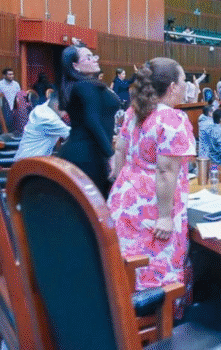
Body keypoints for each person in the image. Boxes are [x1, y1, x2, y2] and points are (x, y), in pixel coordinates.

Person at [106, 57, 195, 316]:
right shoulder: (172, 119)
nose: (186, 86)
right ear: (172, 87)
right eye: (184, 80)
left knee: (125, 263)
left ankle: (123, 318)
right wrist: (165, 216)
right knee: (156, 267)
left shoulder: (135, 111)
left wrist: (123, 184)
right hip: (154, 206)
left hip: (125, 198)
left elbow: (120, 151)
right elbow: (166, 171)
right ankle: (157, 323)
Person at [58, 45, 120, 197]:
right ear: (75, 66)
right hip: (86, 155)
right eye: (88, 57)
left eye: (93, 56)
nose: (94, 59)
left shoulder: (85, 85)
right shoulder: (84, 86)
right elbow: (92, 120)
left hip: (89, 152)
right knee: (93, 206)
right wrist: (111, 155)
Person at [13, 89, 70, 161]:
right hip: (29, 165)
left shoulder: (42, 108)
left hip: (32, 161)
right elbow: (75, 135)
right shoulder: (48, 119)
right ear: (58, 105)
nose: (67, 113)